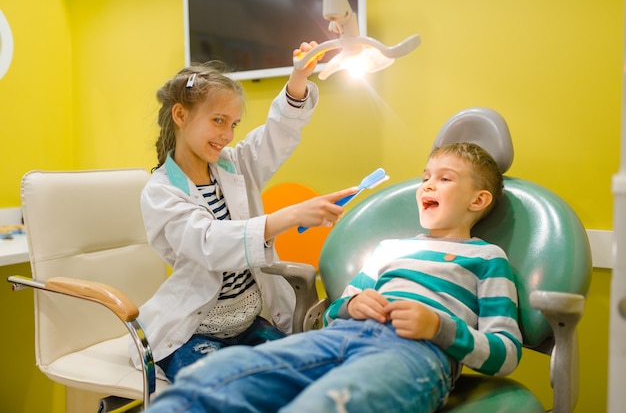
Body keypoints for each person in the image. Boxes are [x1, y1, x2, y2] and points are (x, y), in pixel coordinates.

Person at [142, 142, 524, 413]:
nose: (427, 185)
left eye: (445, 179)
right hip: (337, 339)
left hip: (413, 354)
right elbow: (332, 312)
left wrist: (439, 327)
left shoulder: (488, 258)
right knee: (219, 377)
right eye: (426, 176)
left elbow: (505, 352)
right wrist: (354, 304)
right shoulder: (389, 249)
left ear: (478, 200)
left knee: (326, 403)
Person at [129, 41, 357, 382]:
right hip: (192, 332)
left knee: (306, 372)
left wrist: (299, 76)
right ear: (180, 115)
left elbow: (277, 134)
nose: (227, 134)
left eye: (233, 124)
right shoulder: (161, 192)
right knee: (227, 386)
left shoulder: (234, 165)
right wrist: (291, 216)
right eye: (218, 120)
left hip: (248, 325)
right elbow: (211, 243)